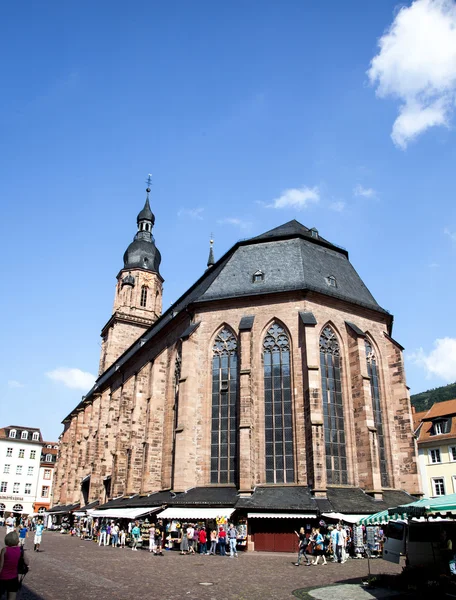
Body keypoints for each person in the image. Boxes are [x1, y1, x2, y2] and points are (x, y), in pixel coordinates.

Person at [0, 531, 29, 600]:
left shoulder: (4, 550)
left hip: (3, 577)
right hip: (14, 578)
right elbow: (27, 562)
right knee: (11, 597)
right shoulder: (20, 550)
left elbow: (1, 565)